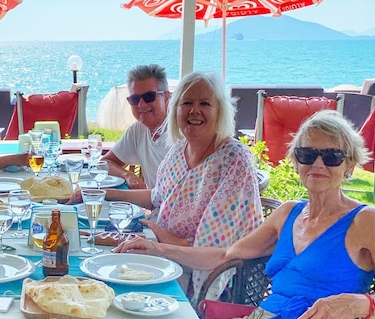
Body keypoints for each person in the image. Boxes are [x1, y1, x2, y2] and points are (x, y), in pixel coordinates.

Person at [122, 109, 375, 319]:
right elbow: (226, 255)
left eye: (331, 156)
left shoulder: (365, 221)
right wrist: (160, 249)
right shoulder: (289, 213)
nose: (317, 163)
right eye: (307, 154)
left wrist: (358, 305)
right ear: (296, 161)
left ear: (349, 164)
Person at [110, 70, 262, 301]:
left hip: (205, 280)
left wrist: (162, 239)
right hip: (162, 256)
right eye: (187, 103)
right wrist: (103, 195)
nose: (194, 110)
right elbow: (158, 197)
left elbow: (216, 251)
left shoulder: (234, 158)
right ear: (176, 110)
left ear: (220, 110)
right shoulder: (179, 149)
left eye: (205, 103)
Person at [101, 64, 171, 189]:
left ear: (166, 97)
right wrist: (128, 175)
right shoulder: (138, 129)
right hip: (153, 201)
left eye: (149, 96)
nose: (141, 104)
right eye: (135, 99)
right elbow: (106, 163)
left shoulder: (183, 132)